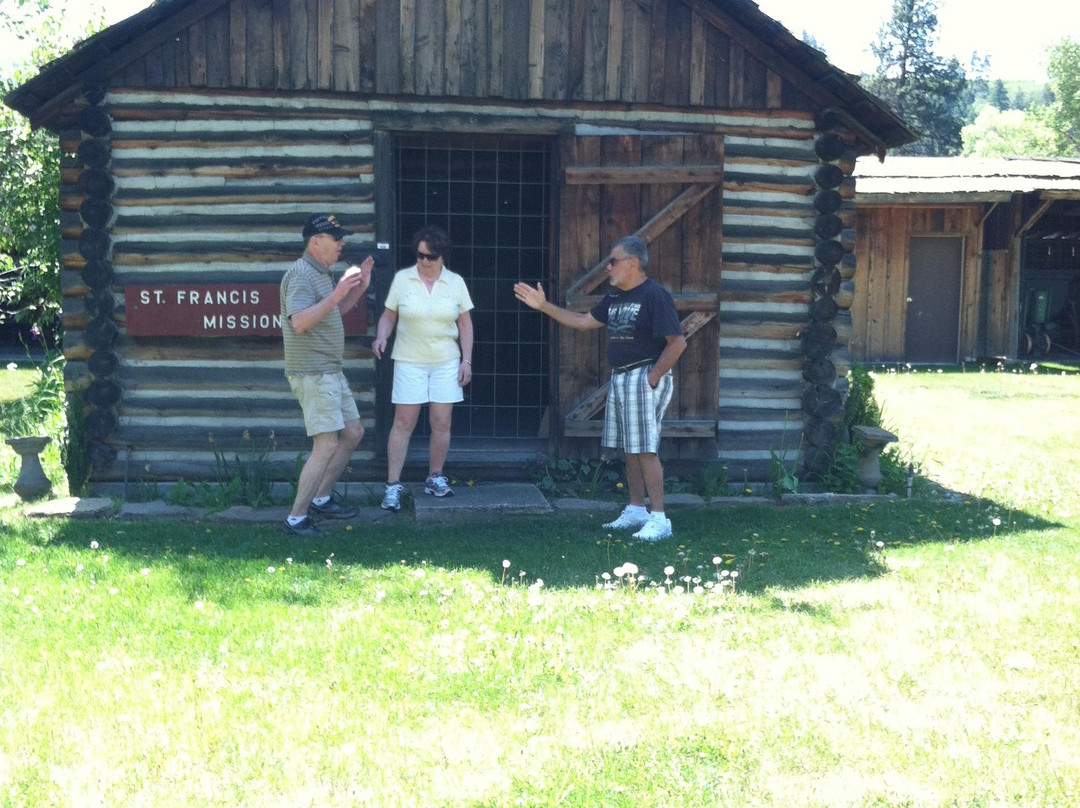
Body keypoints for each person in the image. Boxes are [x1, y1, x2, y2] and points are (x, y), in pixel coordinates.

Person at [513, 236, 686, 541]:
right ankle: (636, 509)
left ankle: (660, 519)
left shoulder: (654, 296)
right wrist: (543, 306)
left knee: (644, 447)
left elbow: (677, 343)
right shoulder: (615, 298)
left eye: (614, 261)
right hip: (621, 377)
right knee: (630, 449)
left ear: (633, 263)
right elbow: (581, 321)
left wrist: (652, 377)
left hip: (643, 377)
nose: (608, 267)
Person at [279, 214, 374, 536]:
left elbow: (332, 314)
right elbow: (300, 322)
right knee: (326, 445)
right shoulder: (302, 275)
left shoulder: (322, 273)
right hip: (313, 374)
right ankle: (296, 519)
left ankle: (320, 499)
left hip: (329, 371)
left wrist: (359, 290)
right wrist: (336, 294)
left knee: (353, 433)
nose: (342, 243)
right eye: (336, 239)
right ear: (315, 242)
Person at [372, 226, 474, 511]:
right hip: (409, 360)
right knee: (403, 422)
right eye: (420, 255)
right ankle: (393, 486)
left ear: (442, 256)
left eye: (431, 256)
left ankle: (435, 477)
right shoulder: (403, 280)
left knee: (441, 422)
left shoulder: (455, 283)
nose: (425, 261)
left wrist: (466, 361)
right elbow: (388, 315)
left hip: (446, 361)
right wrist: (382, 336)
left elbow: (465, 323)